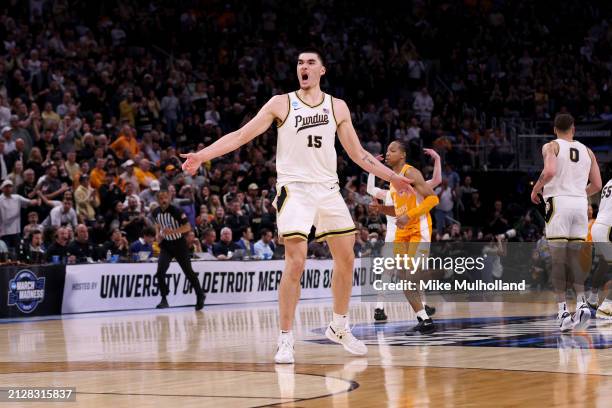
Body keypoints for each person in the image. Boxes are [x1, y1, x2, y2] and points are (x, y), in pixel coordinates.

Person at [180, 48, 414, 364]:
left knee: (346, 258)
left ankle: (339, 325)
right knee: (296, 260)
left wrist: (393, 178)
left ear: (322, 70)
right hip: (295, 190)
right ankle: (285, 339)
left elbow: (358, 154)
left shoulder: (337, 107)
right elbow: (241, 135)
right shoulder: (281, 103)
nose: (303, 66)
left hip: (328, 189)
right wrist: (202, 155)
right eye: (300, 63)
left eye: (310, 63)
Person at [530, 113, 602, 332]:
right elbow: (597, 184)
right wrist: (579, 193)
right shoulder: (588, 151)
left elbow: (550, 171)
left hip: (558, 202)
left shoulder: (551, 146)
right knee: (574, 257)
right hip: (581, 204)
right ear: (574, 129)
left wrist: (536, 189)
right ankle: (581, 303)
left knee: (558, 259)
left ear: (554, 129)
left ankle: (562, 310)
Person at [370, 141, 440, 334]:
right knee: (403, 278)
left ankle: (443, 272)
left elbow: (433, 198)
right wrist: (380, 208)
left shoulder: (411, 172)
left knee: (410, 277)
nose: (387, 152)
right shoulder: (393, 180)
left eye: (392, 150)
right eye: (387, 149)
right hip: (402, 234)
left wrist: (410, 215)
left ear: (403, 155)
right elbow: (397, 210)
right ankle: (424, 320)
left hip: (419, 230)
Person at [152, 188, 205, 311]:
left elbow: (188, 227)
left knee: (188, 272)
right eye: (161, 198)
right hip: (166, 244)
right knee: (160, 272)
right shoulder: (155, 212)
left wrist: (173, 231)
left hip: (179, 244)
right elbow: (157, 223)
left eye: (166, 197)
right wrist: (158, 234)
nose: (164, 200)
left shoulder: (176, 211)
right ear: (158, 200)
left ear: (169, 198)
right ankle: (164, 299)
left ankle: (200, 295)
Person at [592, 179, 612, 319]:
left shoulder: (609, 182)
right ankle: (606, 306)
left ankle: (592, 299)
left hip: (598, 226)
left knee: (603, 264)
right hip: (608, 229)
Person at [0, 179, 39, 249]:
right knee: (5, 251)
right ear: (2, 188)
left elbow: (29, 202)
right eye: (6, 186)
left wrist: (37, 200)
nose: (8, 188)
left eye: (10, 186)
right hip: (4, 232)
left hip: (16, 231)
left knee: (19, 251)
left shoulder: (17, 198)